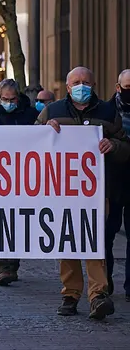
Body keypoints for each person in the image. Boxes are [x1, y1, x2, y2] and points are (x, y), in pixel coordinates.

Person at [39, 66, 129, 319]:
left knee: (94, 241)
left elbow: (125, 147)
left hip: (96, 192)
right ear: (68, 87)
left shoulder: (109, 112)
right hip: (61, 191)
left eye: (85, 82)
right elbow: (31, 141)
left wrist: (113, 145)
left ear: (94, 85)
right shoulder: (51, 111)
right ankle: (70, 294)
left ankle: (98, 295)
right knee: (67, 241)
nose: (81, 86)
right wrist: (45, 129)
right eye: (76, 82)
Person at [0, 78, 38, 286]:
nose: (9, 102)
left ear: (18, 97)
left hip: (23, 177)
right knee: (1, 220)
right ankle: (3, 266)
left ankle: (12, 264)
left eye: (12, 99)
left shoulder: (30, 115)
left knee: (18, 220)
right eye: (5, 99)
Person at [106, 68, 130, 303]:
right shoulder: (106, 111)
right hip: (111, 184)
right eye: (127, 88)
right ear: (118, 87)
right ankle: (105, 283)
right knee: (107, 235)